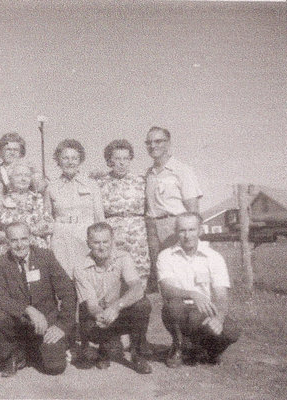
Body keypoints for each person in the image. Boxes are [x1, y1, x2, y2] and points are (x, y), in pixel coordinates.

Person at [0, 222, 76, 377]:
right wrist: (28, 309)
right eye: (14, 240)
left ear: (30, 239)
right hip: (19, 322)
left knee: (55, 367)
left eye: (24, 239)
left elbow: (68, 291)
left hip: (47, 321)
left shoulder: (45, 256)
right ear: (7, 242)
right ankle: (13, 354)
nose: (20, 245)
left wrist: (62, 326)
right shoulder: (0, 263)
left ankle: (35, 350)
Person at [157, 212, 240, 368]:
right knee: (174, 306)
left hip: (203, 311)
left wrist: (219, 318)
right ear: (176, 232)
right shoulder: (166, 256)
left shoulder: (214, 257)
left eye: (192, 230)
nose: (187, 235)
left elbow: (221, 296)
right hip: (178, 309)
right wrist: (192, 294)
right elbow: (166, 289)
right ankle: (178, 346)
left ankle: (210, 351)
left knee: (232, 330)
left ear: (200, 231)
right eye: (182, 230)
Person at [74, 222, 152, 374]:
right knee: (91, 326)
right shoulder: (80, 267)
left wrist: (117, 307)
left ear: (112, 241)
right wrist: (100, 315)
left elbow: (137, 288)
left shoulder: (124, 258)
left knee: (143, 304)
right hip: (97, 314)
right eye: (96, 242)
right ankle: (103, 347)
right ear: (88, 243)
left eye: (105, 242)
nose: (101, 247)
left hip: (119, 310)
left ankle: (137, 353)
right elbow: (91, 305)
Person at [145, 126, 202, 290]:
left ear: (168, 143)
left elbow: (192, 209)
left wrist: (190, 232)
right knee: (161, 273)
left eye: (158, 141)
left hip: (175, 225)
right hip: (152, 228)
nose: (153, 146)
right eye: (148, 142)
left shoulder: (182, 170)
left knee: (181, 268)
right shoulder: (149, 173)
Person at [44, 139, 104, 279]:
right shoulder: (51, 187)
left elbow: (99, 218)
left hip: (85, 237)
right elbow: (47, 219)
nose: (70, 162)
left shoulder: (91, 185)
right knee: (63, 278)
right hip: (61, 239)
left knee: (87, 277)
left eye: (74, 158)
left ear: (80, 160)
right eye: (65, 158)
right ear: (58, 160)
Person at [96, 139, 150, 287]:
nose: (122, 163)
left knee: (139, 279)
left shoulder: (141, 181)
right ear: (110, 160)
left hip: (137, 235)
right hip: (113, 235)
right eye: (117, 158)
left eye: (126, 158)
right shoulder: (100, 184)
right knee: (114, 277)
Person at [0, 160, 53, 252]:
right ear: (10, 178)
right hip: (9, 255)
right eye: (18, 175)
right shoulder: (1, 202)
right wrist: (14, 235)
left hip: (38, 252)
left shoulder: (39, 200)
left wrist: (32, 230)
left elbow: (50, 226)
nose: (23, 179)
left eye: (27, 175)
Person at [0, 132, 45, 202]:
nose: (12, 153)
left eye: (15, 150)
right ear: (0, 151)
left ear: (21, 153)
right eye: (8, 149)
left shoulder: (31, 171)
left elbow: (41, 190)